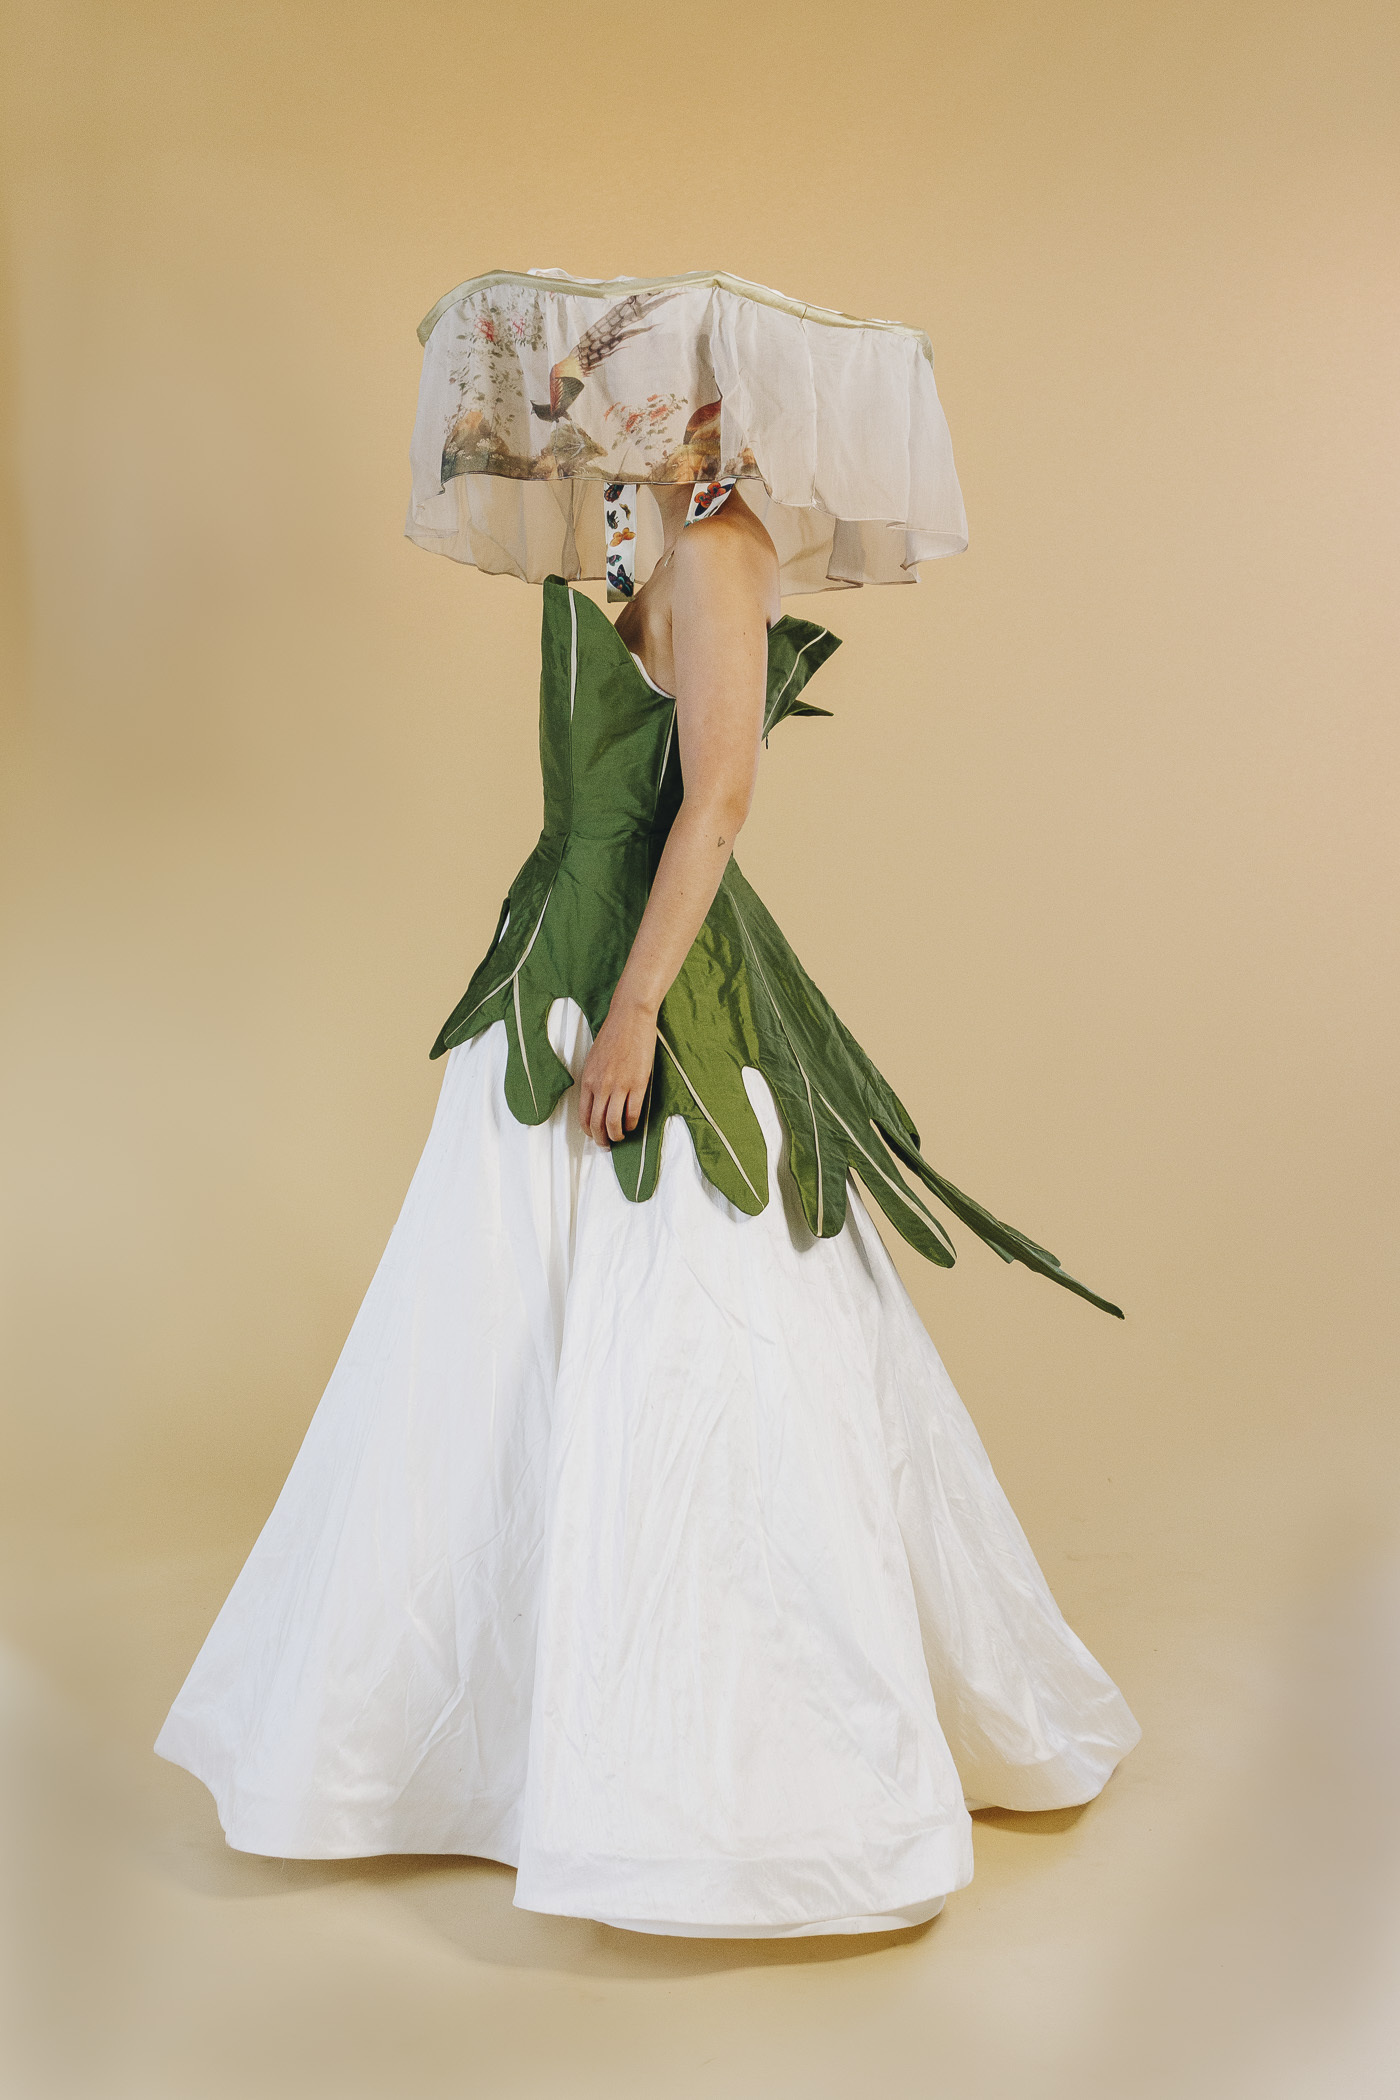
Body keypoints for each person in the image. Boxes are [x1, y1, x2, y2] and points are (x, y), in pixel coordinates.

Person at [156, 272, 1139, 1939]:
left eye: (632, 390)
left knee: (701, 1342)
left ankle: (733, 1772)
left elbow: (723, 798)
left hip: (642, 983)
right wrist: (592, 473)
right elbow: (594, 617)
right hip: (558, 948)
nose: (600, 412)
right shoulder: (645, 525)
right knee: (494, 1336)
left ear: (710, 409)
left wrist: (628, 1020)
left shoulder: (726, 545)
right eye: (600, 393)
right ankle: (495, 1731)